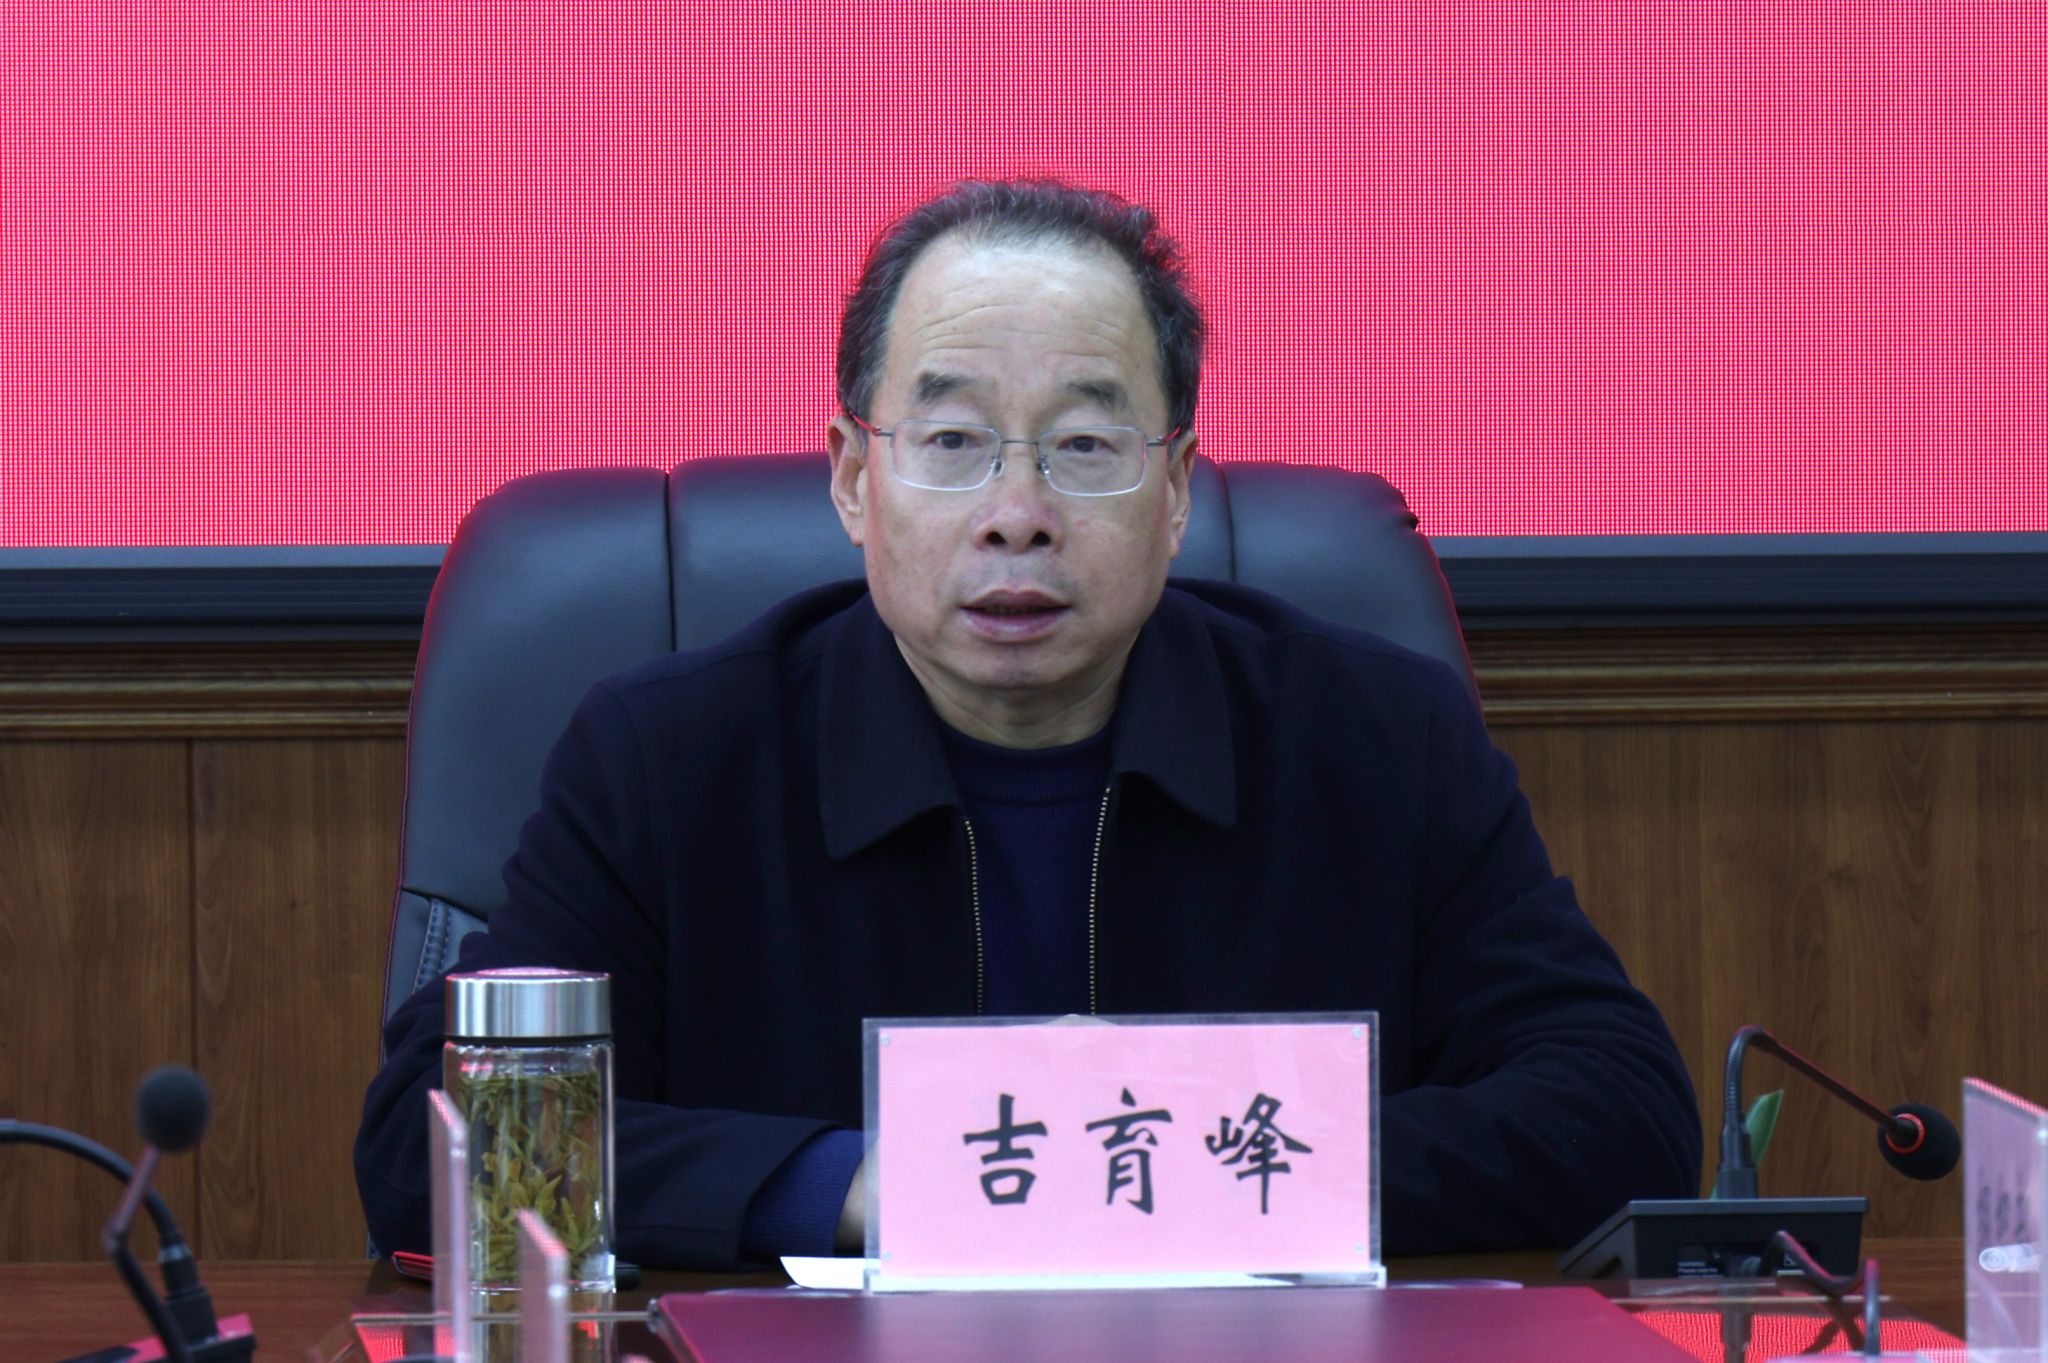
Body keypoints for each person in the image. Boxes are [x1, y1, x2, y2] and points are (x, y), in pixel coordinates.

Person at [356, 179, 1701, 1269]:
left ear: (1176, 490)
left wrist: (1157, 1171)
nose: (1017, 514)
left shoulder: (1372, 737)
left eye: (1086, 447)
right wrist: (860, 1184)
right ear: (854, 478)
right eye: (951, 443)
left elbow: (1620, 1109)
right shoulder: (668, 758)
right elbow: (438, 1139)